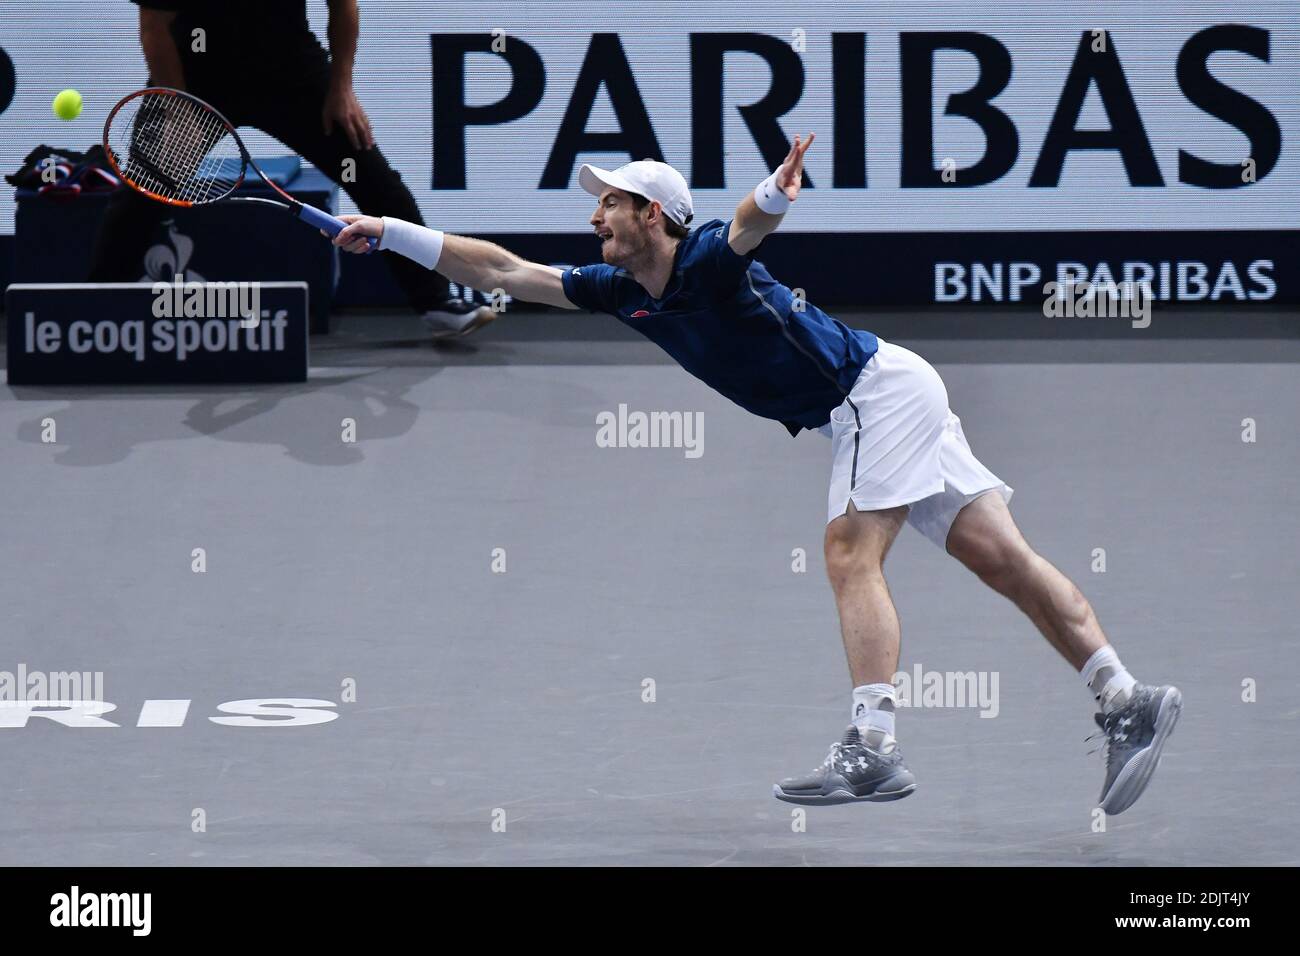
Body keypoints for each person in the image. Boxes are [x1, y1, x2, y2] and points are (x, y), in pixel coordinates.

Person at [330, 135, 1182, 814]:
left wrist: (774, 192)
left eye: (611, 202)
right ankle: (1125, 696)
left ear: (655, 216)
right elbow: (503, 271)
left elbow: (747, 226)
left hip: (866, 400)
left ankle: (873, 748)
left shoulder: (702, 259)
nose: (596, 215)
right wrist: (392, 231)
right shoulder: (615, 288)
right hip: (894, 388)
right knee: (1001, 559)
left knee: (850, 554)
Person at [88, 0, 491, 339]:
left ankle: (435, 301)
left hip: (292, 74)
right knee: (140, 194)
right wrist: (180, 105)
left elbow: (343, 5)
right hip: (197, 77)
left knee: (371, 175)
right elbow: (155, 23)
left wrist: (341, 88)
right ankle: (89, 314)